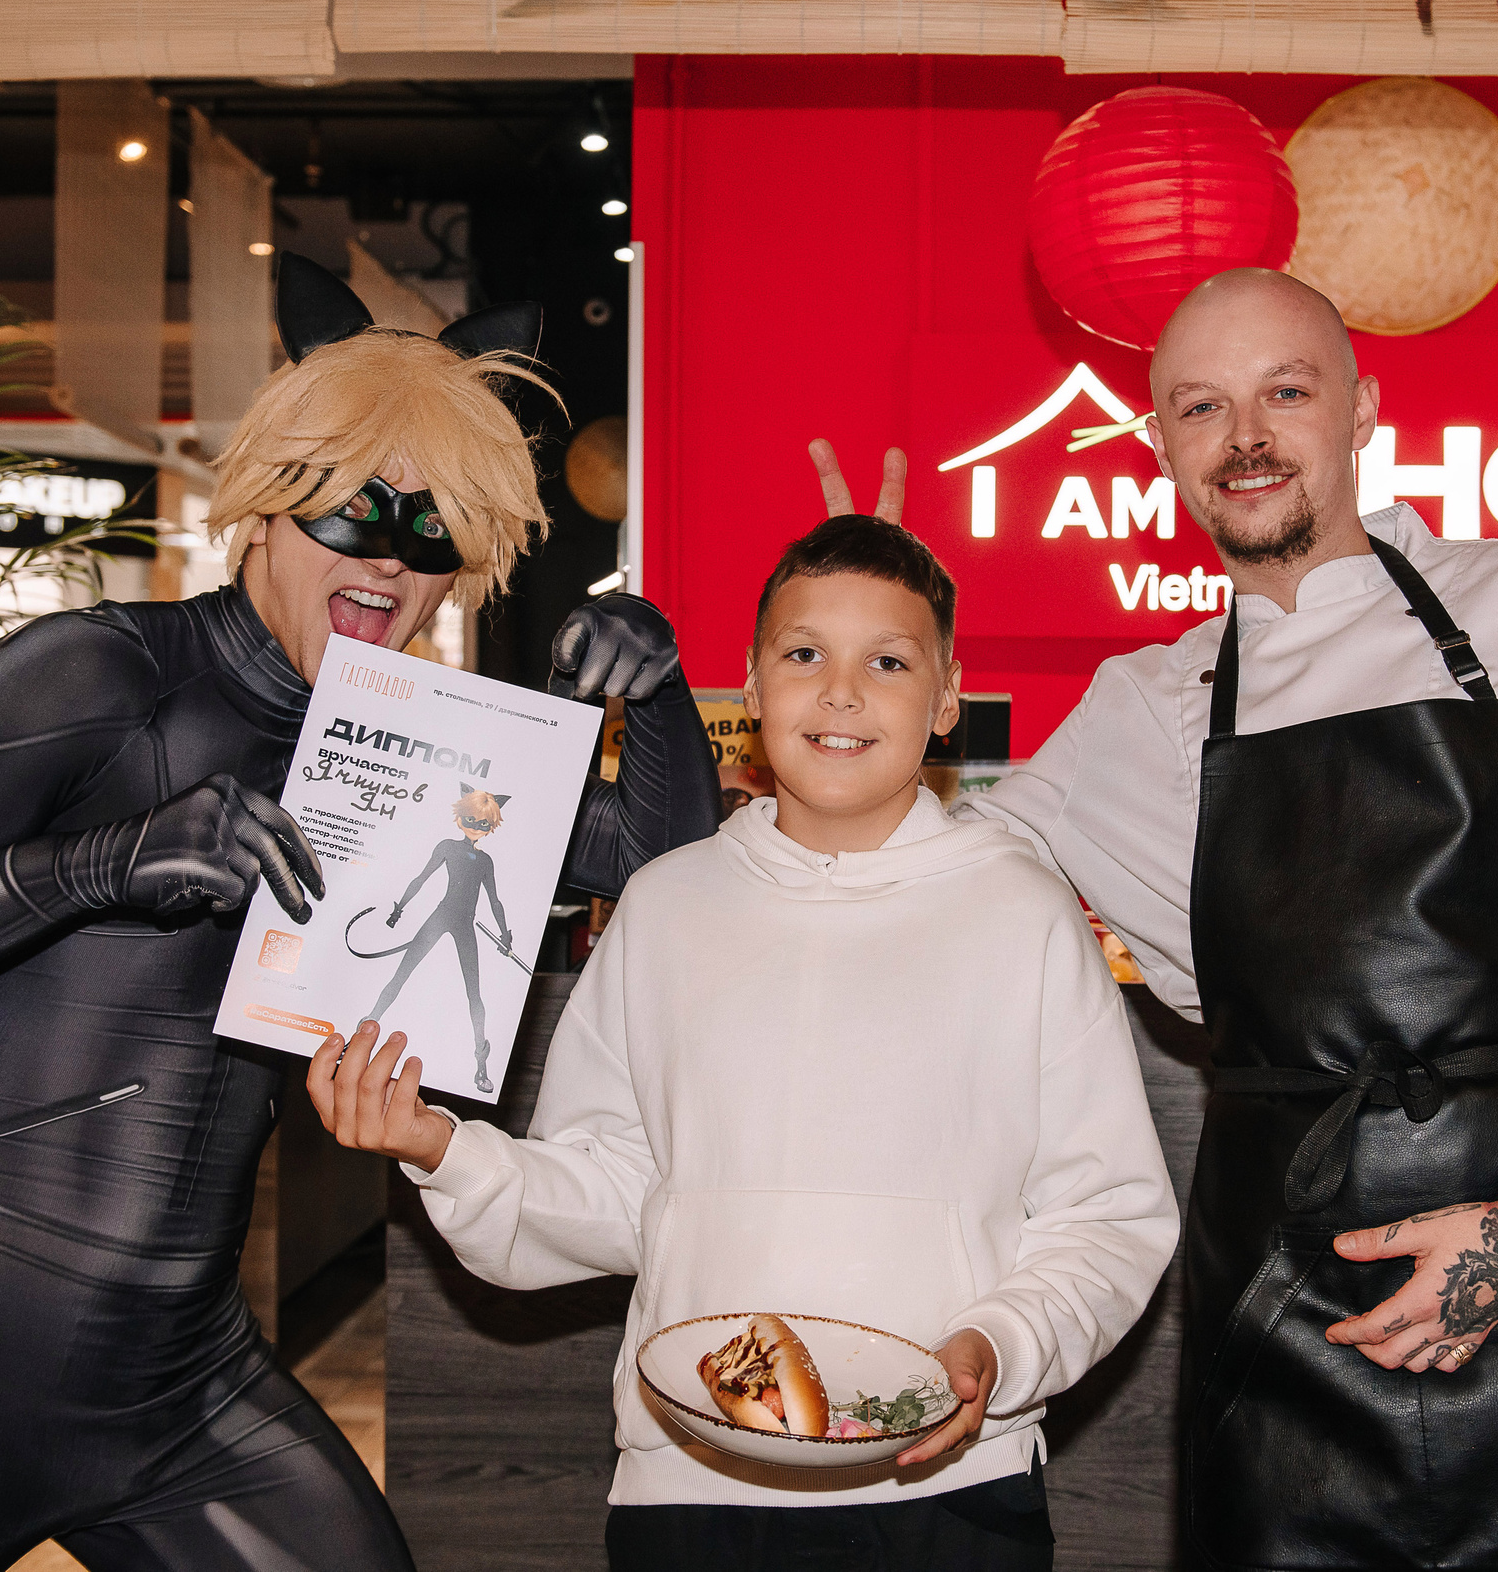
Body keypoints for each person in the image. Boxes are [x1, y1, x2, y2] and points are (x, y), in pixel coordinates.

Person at [0, 256, 721, 1572]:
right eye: (354, 513)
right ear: (269, 505)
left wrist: (665, 693)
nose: (393, 562)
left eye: (431, 534)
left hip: (174, 1372)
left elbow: (665, 856)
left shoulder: (409, 742)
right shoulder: (100, 674)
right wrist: (106, 861)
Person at [814, 267, 1498, 1571]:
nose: (1245, 435)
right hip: (1283, 1337)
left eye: (1286, 392)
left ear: (1363, 410)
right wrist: (860, 638)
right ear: (1160, 444)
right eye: (1201, 406)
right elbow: (910, 871)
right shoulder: (1146, 703)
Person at [310, 514, 1179, 1572]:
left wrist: (1002, 1346)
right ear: (753, 687)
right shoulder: (667, 905)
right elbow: (616, 1187)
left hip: (949, 1483)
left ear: (945, 701)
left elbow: (1108, 1213)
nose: (842, 692)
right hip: (688, 1480)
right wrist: (445, 1150)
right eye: (804, 653)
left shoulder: (1025, 913)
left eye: (889, 661)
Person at [362, 786, 515, 1091]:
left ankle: (481, 1068)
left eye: (485, 823)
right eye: (472, 819)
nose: (477, 826)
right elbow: (421, 878)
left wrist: (504, 933)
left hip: (465, 924)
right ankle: (365, 1029)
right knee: (401, 974)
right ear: (461, 817)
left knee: (475, 994)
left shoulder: (486, 863)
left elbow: (494, 900)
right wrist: (398, 910)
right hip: (442, 914)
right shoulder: (448, 846)